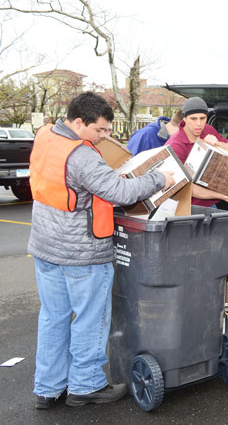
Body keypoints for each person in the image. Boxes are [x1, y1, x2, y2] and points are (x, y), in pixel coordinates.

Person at [28, 92, 175, 410]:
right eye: (100, 131)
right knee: (91, 319)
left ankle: (48, 388)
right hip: (81, 254)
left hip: (45, 247)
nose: (105, 136)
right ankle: (86, 385)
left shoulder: (46, 135)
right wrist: (159, 178)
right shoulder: (81, 155)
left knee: (54, 317)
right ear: (79, 122)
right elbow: (120, 192)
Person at [165, 97, 228, 207]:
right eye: (193, 119)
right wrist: (221, 195)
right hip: (187, 207)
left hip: (211, 204)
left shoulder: (208, 129)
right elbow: (187, 187)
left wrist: (218, 144)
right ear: (185, 119)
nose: (198, 123)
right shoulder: (175, 146)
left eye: (202, 118)